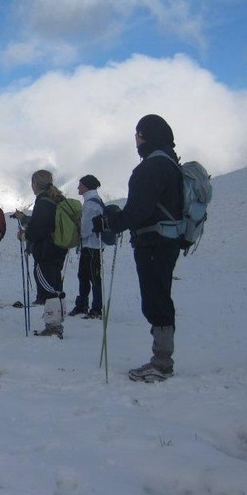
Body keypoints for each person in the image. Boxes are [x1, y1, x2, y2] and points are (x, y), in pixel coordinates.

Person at [94, 114, 182, 382]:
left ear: (147, 136)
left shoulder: (151, 167)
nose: (136, 139)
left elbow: (138, 210)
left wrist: (112, 221)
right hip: (168, 239)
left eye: (138, 134)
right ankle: (162, 358)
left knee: (155, 299)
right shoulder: (170, 164)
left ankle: (161, 362)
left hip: (153, 241)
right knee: (160, 295)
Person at [13, 170, 68, 339]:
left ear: (36, 184)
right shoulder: (55, 199)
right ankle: (56, 324)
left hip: (45, 251)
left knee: (48, 289)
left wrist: (24, 235)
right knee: (55, 286)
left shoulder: (43, 202)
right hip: (58, 249)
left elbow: (38, 229)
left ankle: (53, 327)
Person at [70, 174, 104, 319]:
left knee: (91, 277)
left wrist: (76, 236)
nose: (78, 187)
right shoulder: (95, 201)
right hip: (94, 245)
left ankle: (93, 308)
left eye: (80, 185)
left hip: (91, 246)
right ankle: (86, 306)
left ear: (86, 186)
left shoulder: (90, 204)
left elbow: (86, 228)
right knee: (87, 276)